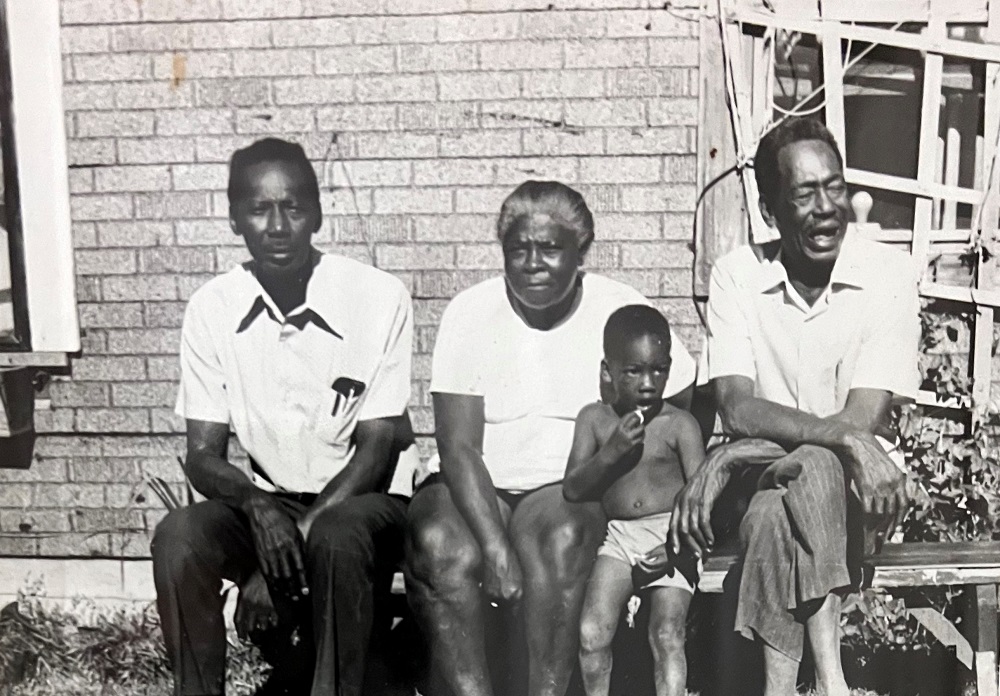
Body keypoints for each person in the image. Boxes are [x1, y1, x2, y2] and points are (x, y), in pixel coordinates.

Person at [404, 180, 698, 696]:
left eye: (550, 248)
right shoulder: (470, 311)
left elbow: (674, 409)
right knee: (438, 542)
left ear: (581, 253)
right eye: (518, 249)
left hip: (564, 489)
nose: (533, 263)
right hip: (477, 484)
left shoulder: (619, 308)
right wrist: (495, 547)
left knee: (562, 539)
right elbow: (458, 447)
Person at [151, 137, 414, 696]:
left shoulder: (376, 296)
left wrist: (289, 543)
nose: (276, 227)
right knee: (180, 536)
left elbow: (375, 451)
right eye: (259, 209)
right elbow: (202, 456)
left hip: (365, 506)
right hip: (272, 503)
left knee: (337, 535)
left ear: (316, 214)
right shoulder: (212, 307)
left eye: (293, 208)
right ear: (234, 219)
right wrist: (257, 507)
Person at [670, 118, 919, 696]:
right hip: (772, 476)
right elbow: (736, 407)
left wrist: (731, 456)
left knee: (787, 499)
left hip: (861, 495)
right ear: (770, 209)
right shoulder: (736, 276)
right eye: (805, 194)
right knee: (796, 483)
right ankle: (832, 684)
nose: (826, 208)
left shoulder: (888, 274)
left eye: (835, 188)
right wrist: (839, 440)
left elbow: (860, 422)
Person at [564, 305, 705, 696]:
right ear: (608, 371)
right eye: (633, 371)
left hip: (673, 535)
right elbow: (573, 488)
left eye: (658, 370)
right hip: (619, 540)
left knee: (667, 632)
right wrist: (610, 452)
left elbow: (702, 500)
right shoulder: (594, 420)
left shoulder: (680, 424)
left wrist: (676, 547)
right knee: (592, 632)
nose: (647, 384)